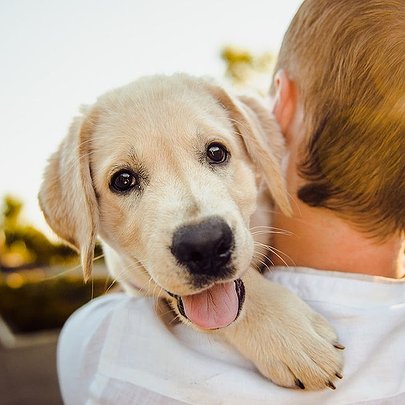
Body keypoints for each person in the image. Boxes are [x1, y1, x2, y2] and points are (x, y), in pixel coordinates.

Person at [57, 0, 405, 404]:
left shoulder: (100, 350)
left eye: (215, 154)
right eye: (125, 180)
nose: (199, 230)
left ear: (275, 120)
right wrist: (251, 305)